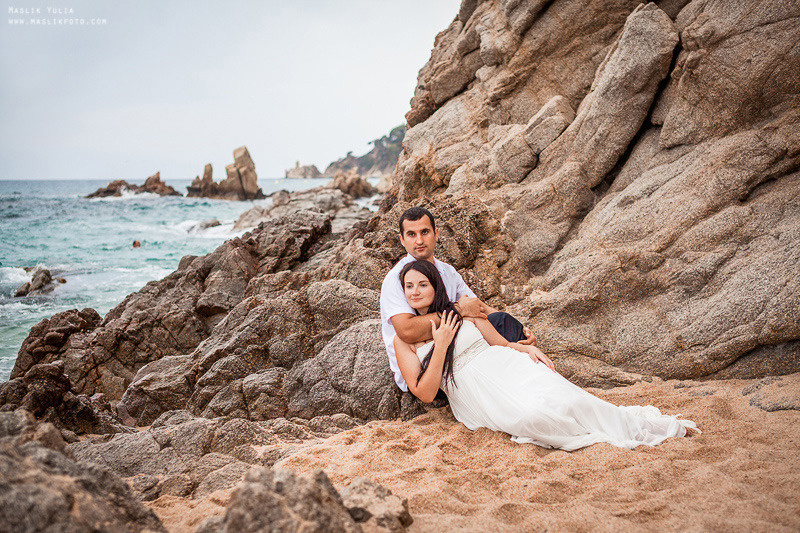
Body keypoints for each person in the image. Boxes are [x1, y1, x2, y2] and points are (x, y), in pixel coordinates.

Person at [393, 259, 699, 451]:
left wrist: (527, 347)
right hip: (475, 391)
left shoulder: (463, 311)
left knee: (571, 401)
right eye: (409, 286)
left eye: (423, 284)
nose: (415, 291)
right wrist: (441, 344)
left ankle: (636, 426)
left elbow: (500, 343)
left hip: (506, 366)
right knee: (532, 417)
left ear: (436, 287)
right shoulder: (403, 341)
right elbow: (425, 393)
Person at [380, 206, 535, 392]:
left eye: (425, 232)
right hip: (422, 366)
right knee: (497, 334)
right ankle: (521, 374)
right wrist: (459, 310)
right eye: (411, 234)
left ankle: (526, 364)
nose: (419, 240)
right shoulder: (396, 278)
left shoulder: (447, 271)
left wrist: (523, 329)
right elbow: (407, 331)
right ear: (402, 240)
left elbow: (477, 307)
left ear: (436, 234)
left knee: (502, 320)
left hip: (453, 346)